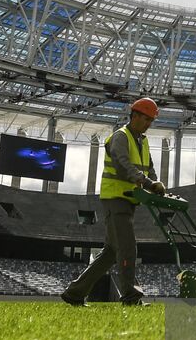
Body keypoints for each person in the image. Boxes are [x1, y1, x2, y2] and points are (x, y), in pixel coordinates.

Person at [61, 97, 165, 307]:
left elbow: (149, 167)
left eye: (151, 121)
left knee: (110, 253)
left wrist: (155, 183)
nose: (148, 124)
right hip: (115, 199)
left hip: (129, 200)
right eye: (146, 119)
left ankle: (74, 293)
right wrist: (147, 183)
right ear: (134, 116)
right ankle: (130, 297)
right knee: (127, 248)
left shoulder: (142, 141)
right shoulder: (120, 137)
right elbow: (123, 164)